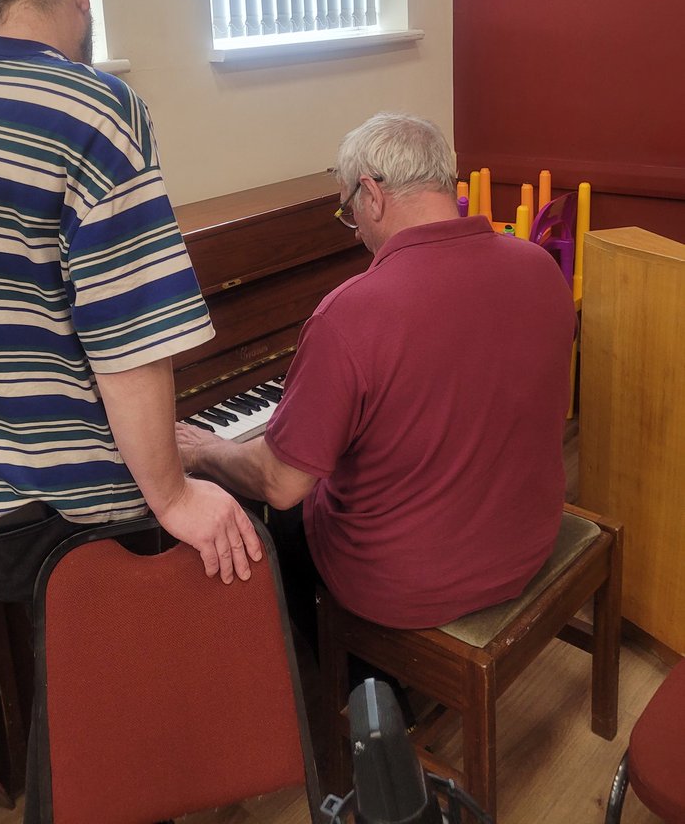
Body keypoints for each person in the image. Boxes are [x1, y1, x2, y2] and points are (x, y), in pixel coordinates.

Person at [0, 0, 262, 604]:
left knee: (62, 665)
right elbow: (129, 333)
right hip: (77, 509)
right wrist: (174, 496)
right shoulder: (97, 109)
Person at [177, 112, 577, 647]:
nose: (356, 227)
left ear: (372, 194)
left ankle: (353, 678)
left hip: (406, 585)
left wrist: (206, 451)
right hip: (526, 540)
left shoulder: (351, 313)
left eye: (349, 211)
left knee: (269, 515)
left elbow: (281, 483)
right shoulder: (539, 266)